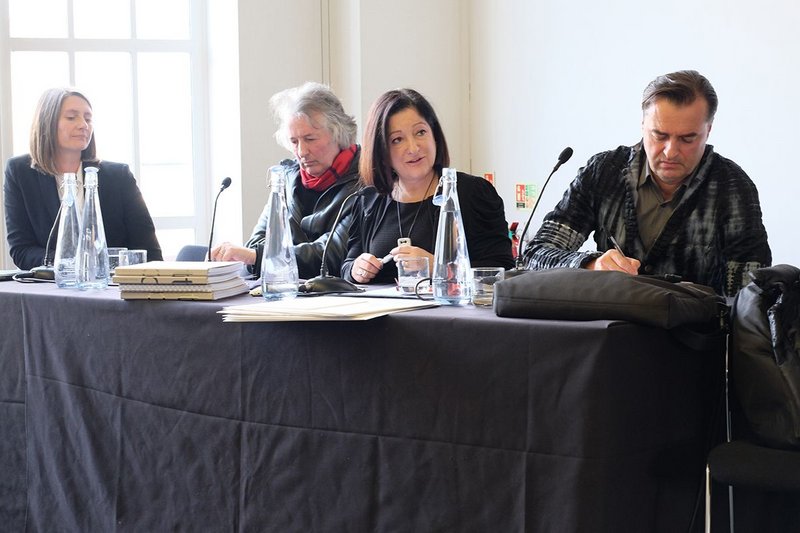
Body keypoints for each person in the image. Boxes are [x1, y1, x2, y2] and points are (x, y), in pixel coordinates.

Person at [522, 70, 771, 296]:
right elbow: (535, 256)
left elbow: (750, 292)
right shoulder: (603, 172)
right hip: (609, 334)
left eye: (687, 139)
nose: (671, 151)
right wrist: (590, 264)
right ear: (643, 125)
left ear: (708, 131)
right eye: (659, 135)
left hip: (693, 339)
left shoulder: (732, 187)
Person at [342, 88, 513, 285]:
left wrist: (439, 267)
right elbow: (347, 264)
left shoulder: (473, 193)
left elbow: (502, 269)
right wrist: (356, 269)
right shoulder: (368, 200)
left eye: (420, 132)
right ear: (382, 150)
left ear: (435, 136)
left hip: (449, 314)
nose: (413, 148)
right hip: (383, 314)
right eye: (397, 140)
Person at [210, 82, 360, 279]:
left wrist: (260, 256)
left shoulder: (365, 181)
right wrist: (256, 255)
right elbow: (256, 243)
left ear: (338, 133)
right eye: (294, 141)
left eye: (310, 139)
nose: (301, 152)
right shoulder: (286, 180)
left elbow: (331, 255)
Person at [4, 88, 162, 270]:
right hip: (53, 290)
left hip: (112, 289)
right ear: (47, 123)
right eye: (72, 117)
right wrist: (74, 264)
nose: (83, 125)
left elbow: (150, 251)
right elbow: (22, 250)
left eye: (88, 119)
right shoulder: (20, 172)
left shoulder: (119, 176)